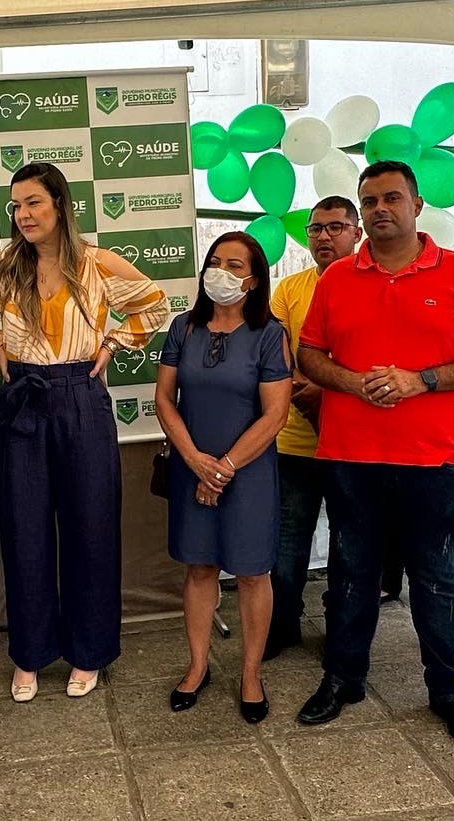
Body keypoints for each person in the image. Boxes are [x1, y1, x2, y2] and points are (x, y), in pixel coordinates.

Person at [295, 160, 454, 751]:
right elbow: (309, 354)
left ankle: (449, 692)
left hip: (437, 457)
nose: (380, 209)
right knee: (351, 572)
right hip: (350, 453)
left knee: (436, 576)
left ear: (417, 205)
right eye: (369, 201)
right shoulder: (337, 278)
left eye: (392, 198)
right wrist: (349, 381)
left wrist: (423, 380)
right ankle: (343, 679)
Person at [0, 162, 169, 702]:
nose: (23, 214)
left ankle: (88, 651)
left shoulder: (97, 262)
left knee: (91, 529)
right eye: (15, 205)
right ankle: (29, 655)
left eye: (33, 202)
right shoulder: (6, 264)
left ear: (59, 204)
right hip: (24, 401)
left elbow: (155, 305)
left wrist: (112, 344)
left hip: (82, 397)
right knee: (23, 531)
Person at [155, 232, 291, 722]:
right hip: (190, 467)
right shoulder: (184, 327)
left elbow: (275, 415)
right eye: (215, 262)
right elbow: (164, 399)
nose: (222, 272)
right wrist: (195, 461)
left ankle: (251, 674)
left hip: (248, 474)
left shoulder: (270, 334)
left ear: (253, 279)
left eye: (235, 265)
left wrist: (224, 468)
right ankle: (197, 666)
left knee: (253, 573)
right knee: (199, 568)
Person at [266, 195, 360, 659]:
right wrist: (309, 396)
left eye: (335, 227)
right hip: (294, 440)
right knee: (288, 541)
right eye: (316, 228)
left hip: (354, 442)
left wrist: (331, 398)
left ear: (356, 233)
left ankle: (342, 630)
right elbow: (277, 351)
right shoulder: (289, 288)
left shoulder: (371, 285)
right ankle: (282, 624)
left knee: (349, 544)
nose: (324, 236)